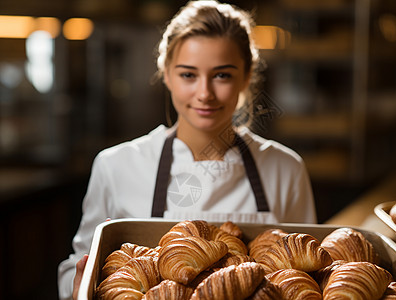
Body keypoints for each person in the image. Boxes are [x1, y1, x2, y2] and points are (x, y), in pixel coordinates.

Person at [58, 1, 316, 299]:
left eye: (222, 75)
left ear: (246, 77)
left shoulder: (286, 168)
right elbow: (75, 270)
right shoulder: (116, 166)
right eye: (188, 75)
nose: (204, 93)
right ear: (166, 74)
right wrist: (79, 287)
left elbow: (306, 273)